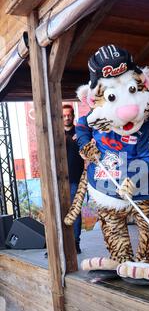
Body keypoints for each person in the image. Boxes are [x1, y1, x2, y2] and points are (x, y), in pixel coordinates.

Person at [63, 104, 85, 254]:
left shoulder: (79, 133)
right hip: (58, 181)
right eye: (64, 115)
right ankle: (59, 243)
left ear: (73, 116)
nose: (66, 117)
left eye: (69, 115)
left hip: (75, 179)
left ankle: (76, 242)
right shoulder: (56, 133)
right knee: (59, 211)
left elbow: (87, 149)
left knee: (75, 211)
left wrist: (80, 140)